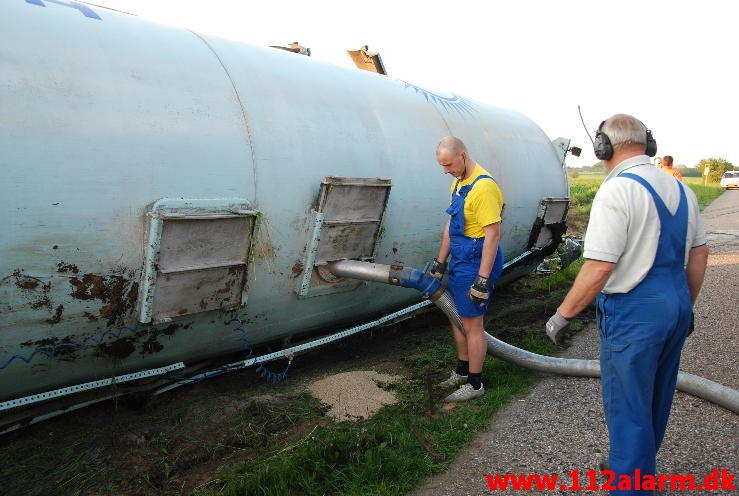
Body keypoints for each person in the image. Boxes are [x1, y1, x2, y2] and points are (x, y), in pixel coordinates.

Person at [545, 114, 708, 495]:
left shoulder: (617, 190)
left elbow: (600, 265)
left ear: (603, 146)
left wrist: (562, 315)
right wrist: (685, 306)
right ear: (646, 144)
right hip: (676, 304)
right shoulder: (681, 190)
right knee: (655, 397)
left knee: (627, 407)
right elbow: (698, 255)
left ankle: (630, 483)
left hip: (635, 312)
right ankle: (632, 466)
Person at [430, 136, 504, 402]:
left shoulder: (484, 188)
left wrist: (482, 280)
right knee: (456, 317)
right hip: (461, 258)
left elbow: (493, 235)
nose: (445, 170)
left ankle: (474, 384)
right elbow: (451, 226)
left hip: (477, 260)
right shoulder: (459, 182)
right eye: (443, 165)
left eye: (449, 164)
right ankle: (462, 371)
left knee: (473, 325)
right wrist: (441, 261)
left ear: (463, 155)